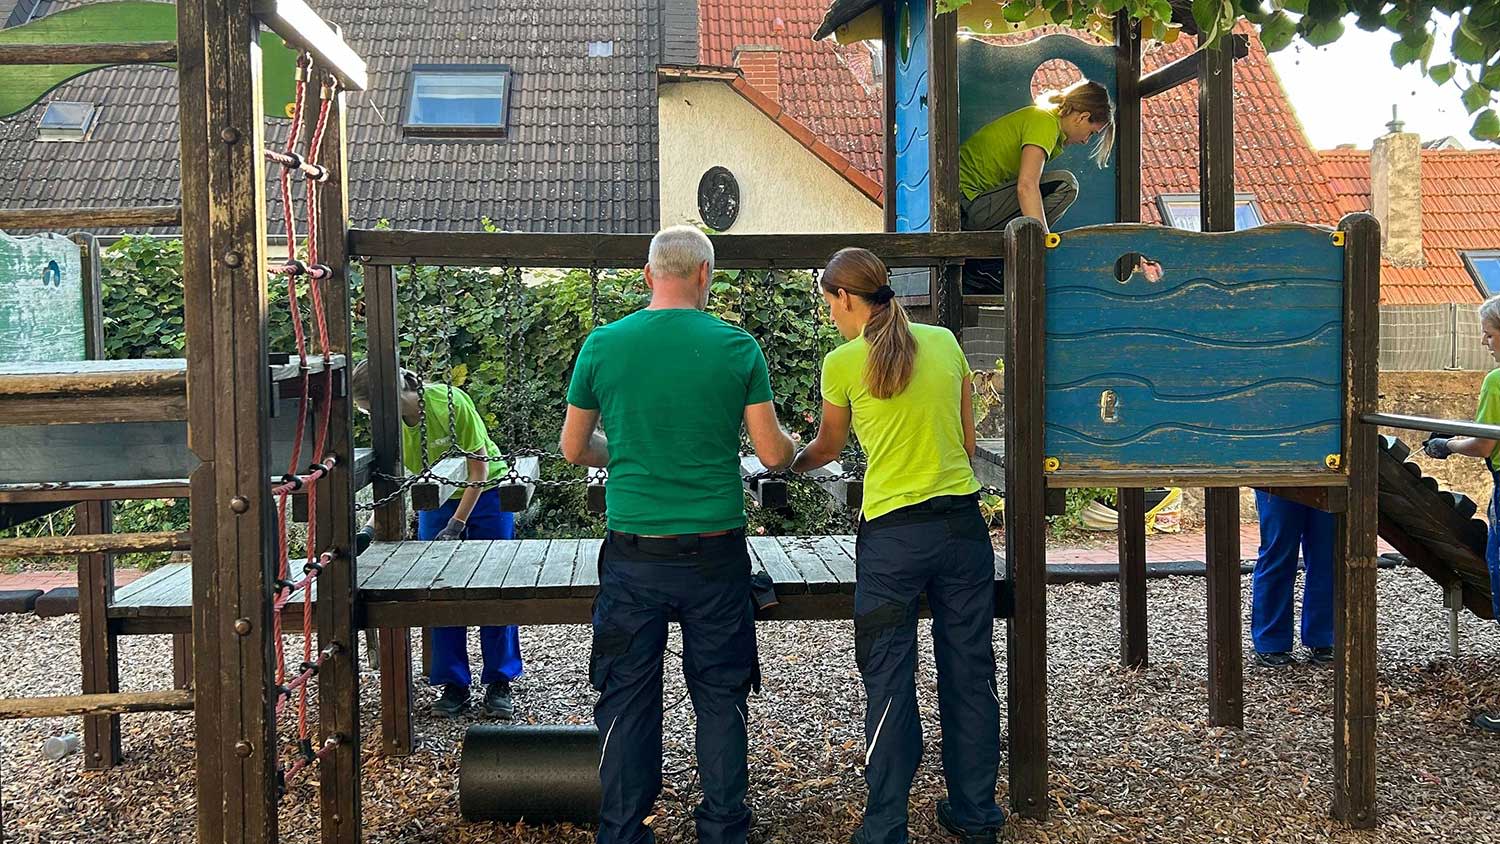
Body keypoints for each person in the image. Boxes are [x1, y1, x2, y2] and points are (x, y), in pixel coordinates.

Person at [561, 225, 797, 844]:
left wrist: (630, 452)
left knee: (626, 698)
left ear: (647, 277)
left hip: (634, 554)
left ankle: (622, 832)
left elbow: (573, 447)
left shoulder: (603, 345)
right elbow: (772, 454)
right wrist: (795, 443)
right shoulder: (737, 346)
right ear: (704, 277)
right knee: (720, 698)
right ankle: (723, 830)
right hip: (715, 554)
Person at [792, 247, 1005, 844]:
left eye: (829, 303)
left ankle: (887, 823)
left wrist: (786, 462)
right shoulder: (944, 343)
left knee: (889, 675)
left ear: (844, 298)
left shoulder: (842, 363)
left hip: (891, 538)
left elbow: (829, 449)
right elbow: (966, 440)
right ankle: (976, 813)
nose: (831, 314)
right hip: (962, 530)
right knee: (969, 671)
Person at [350, 361, 523, 719]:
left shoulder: (450, 402)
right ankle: (453, 683)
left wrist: (457, 525)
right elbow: (399, 482)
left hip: (486, 494)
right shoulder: (390, 426)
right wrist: (369, 528)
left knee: (497, 589)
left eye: (367, 408)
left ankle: (499, 681)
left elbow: (478, 467)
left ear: (389, 396)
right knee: (438, 592)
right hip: (437, 500)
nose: (367, 416)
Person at [1422, 293, 1500, 734]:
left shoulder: (1496, 380)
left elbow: (1484, 443)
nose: (1485, 342)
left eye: (1489, 335)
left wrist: (1447, 445)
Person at [957, 79, 1116, 294]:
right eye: (1091, 133)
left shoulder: (1044, 119)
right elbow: (1026, 186)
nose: (1086, 141)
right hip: (967, 207)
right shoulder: (1045, 122)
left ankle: (987, 266)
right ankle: (989, 266)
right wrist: (1042, 245)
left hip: (970, 202)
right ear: (1083, 117)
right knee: (1066, 185)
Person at [1250, 492, 1334, 668]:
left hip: (1329, 473)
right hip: (1276, 475)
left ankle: (1325, 638)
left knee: (1328, 556)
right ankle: (1270, 641)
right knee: (1277, 553)